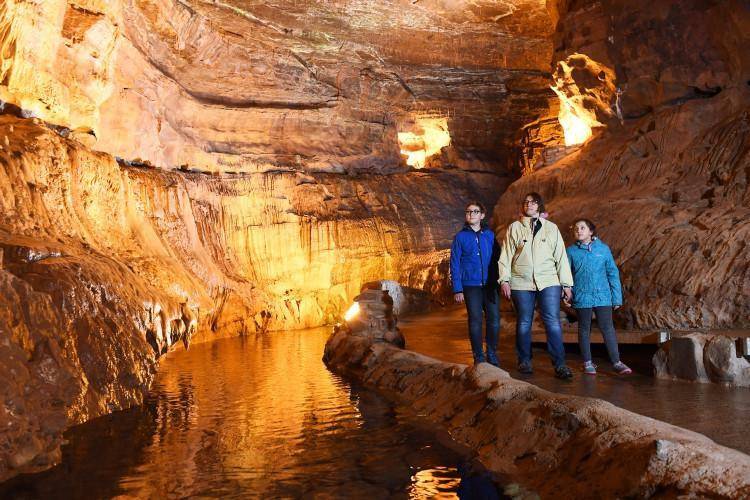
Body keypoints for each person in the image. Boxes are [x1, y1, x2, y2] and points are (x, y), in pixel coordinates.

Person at [498, 192, 574, 379]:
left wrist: (566, 284)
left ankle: (559, 364)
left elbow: (560, 257)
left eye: (533, 202)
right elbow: (506, 255)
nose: (529, 205)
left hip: (548, 280)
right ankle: (524, 360)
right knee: (524, 322)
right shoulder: (515, 228)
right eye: (526, 202)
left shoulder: (551, 228)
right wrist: (504, 280)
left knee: (552, 322)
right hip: (521, 282)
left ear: (539, 205)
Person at [566, 219, 632, 375]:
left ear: (591, 231)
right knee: (584, 329)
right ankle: (587, 363)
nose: (579, 230)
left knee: (607, 328)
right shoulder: (570, 251)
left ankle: (617, 362)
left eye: (583, 228)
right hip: (582, 295)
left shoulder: (603, 249)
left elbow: (612, 273)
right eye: (576, 228)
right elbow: (566, 276)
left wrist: (616, 297)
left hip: (603, 295)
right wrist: (567, 293)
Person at [450, 202, 501, 366]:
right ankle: (478, 355)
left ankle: (491, 352)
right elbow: (455, 263)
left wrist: (501, 280)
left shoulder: (490, 235)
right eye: (469, 212)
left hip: (489, 285)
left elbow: (497, 259)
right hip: (470, 285)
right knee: (475, 319)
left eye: (475, 211)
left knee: (494, 319)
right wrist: (457, 288)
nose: (471, 214)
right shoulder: (460, 237)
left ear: (482, 215)